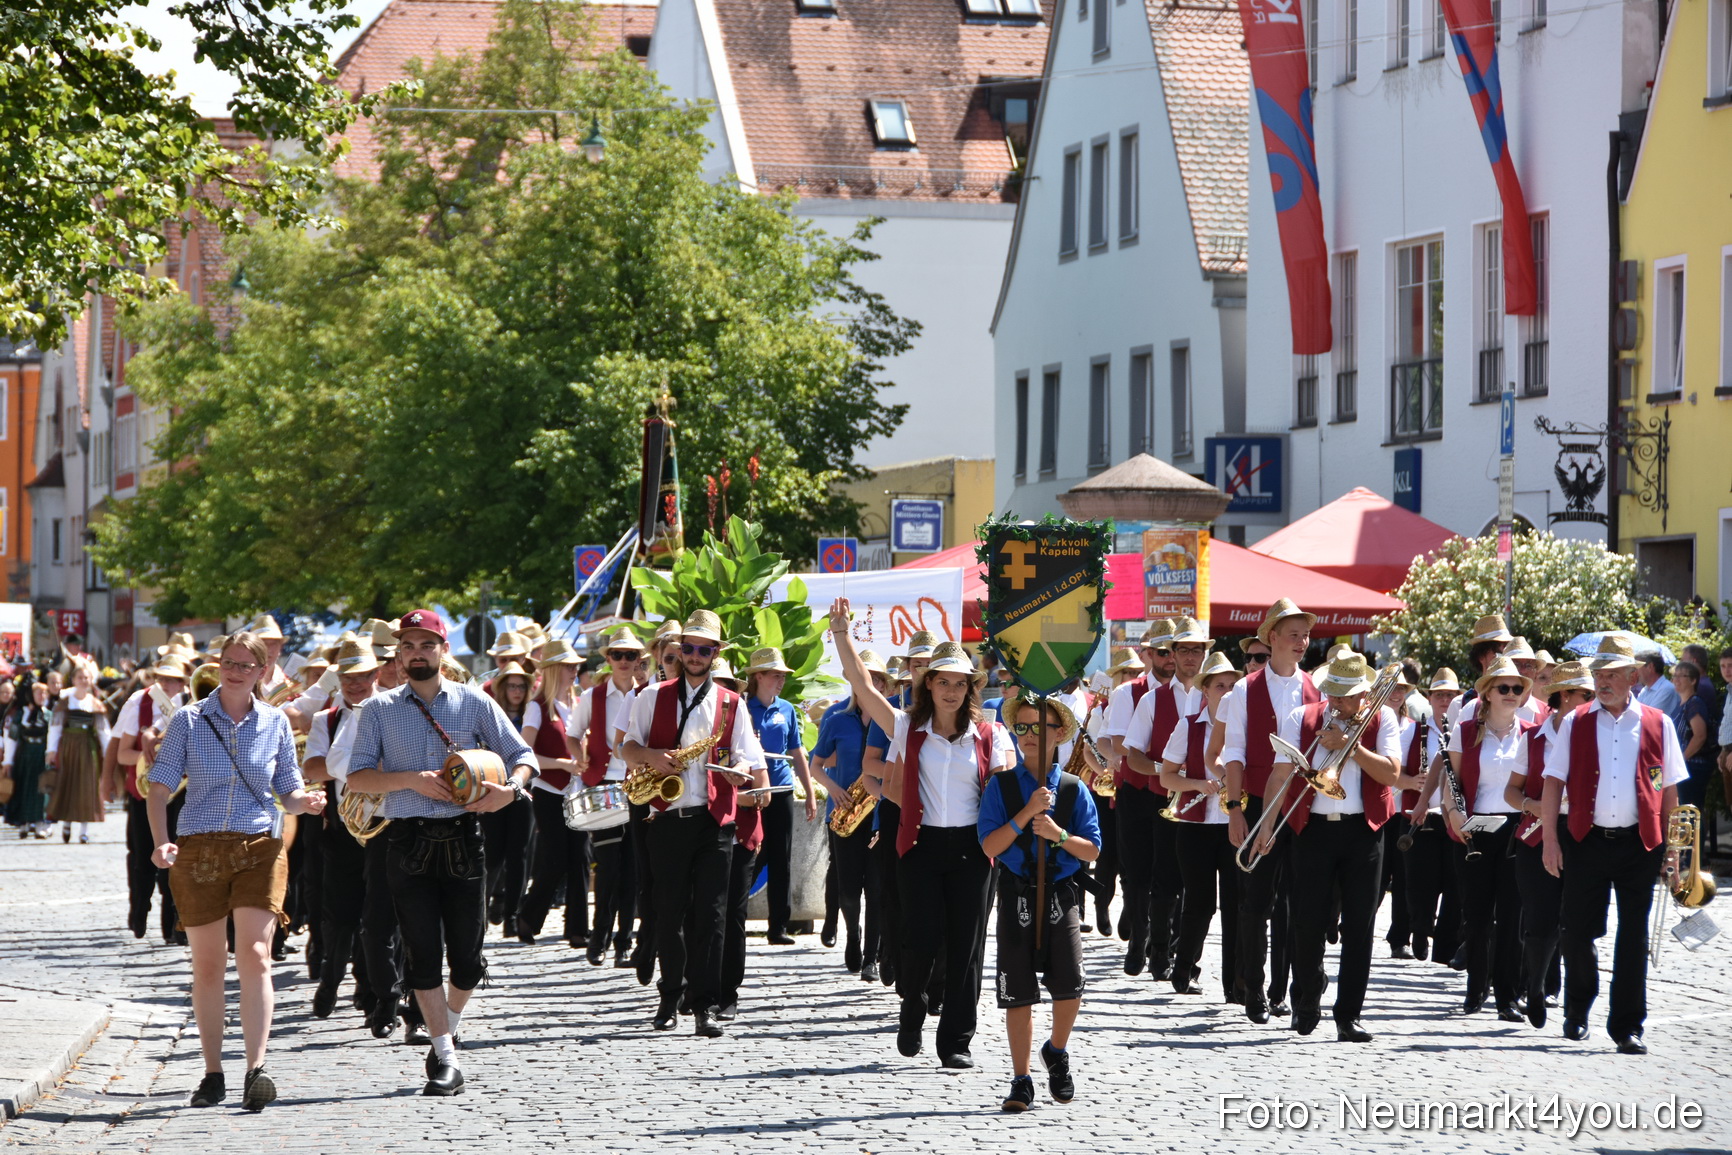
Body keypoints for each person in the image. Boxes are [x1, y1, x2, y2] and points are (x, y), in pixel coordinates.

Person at [346, 609, 537, 1095]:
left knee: (469, 961)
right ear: (398, 653)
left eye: (426, 645)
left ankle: (444, 1028)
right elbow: (358, 777)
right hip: (406, 841)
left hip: (464, 840)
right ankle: (447, 1058)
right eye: (408, 645)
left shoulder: (474, 701)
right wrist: (411, 780)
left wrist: (510, 791)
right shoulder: (379, 709)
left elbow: (522, 756)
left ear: (443, 651)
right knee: (423, 956)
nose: (416, 653)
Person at [147, 631, 329, 1111]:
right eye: (228, 662)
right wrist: (161, 842)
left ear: (262, 671)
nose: (235, 671)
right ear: (218, 664)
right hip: (199, 850)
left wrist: (306, 802)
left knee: (255, 954)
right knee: (208, 965)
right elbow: (159, 788)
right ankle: (212, 1073)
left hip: (258, 847)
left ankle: (256, 1069)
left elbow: (287, 791)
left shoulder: (275, 722)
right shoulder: (189, 720)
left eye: (246, 665)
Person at [831, 605, 1015, 1070]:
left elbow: (1006, 792)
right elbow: (863, 686)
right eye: (943, 681)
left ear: (971, 688)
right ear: (927, 684)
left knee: (967, 947)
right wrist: (842, 633)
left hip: (973, 851)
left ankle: (956, 1040)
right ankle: (912, 1010)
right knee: (920, 939)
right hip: (920, 847)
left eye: (960, 683)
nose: (951, 691)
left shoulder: (991, 735)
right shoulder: (907, 727)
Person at [618, 610, 767, 1038]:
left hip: (715, 820)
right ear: (680, 651)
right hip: (667, 819)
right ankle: (670, 995)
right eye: (688, 648)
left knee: (712, 914)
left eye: (704, 649)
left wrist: (740, 770)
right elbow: (627, 748)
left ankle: (704, 1005)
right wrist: (651, 756)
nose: (695, 655)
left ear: (715, 653)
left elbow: (749, 757)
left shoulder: (732, 703)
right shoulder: (652, 696)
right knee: (668, 913)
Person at [1541, 635, 1688, 1055]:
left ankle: (1627, 1026)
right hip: (1585, 840)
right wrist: (1550, 839)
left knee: (1633, 936)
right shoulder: (1576, 721)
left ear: (1633, 678)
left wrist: (1674, 850)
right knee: (1576, 932)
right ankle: (1577, 1008)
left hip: (1639, 844)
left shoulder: (1659, 722)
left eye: (1611, 674)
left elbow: (1670, 791)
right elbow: (1553, 783)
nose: (1602, 681)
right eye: (1598, 674)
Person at [1264, 652, 1418, 1042]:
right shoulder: (1301, 717)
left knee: (1360, 926)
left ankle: (1348, 1015)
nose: (1337, 701)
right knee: (1306, 921)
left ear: (1364, 693)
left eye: (1346, 695)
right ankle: (1307, 996)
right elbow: (1280, 774)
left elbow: (1391, 775)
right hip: (1312, 830)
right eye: (1332, 692)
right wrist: (1266, 827)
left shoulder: (1383, 719)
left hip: (1364, 832)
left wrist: (1350, 744)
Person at [979, 692, 1100, 1113]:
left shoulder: (1073, 788)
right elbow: (989, 845)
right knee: (1018, 991)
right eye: (1022, 727)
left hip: (1061, 894)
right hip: (1016, 893)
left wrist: (1058, 835)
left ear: (1059, 732)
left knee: (1070, 984)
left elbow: (1092, 850)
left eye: (1039, 727)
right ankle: (1021, 1078)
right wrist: (1025, 814)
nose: (1029, 735)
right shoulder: (1001, 786)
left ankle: (1057, 1050)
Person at [1221, 599, 1319, 1023]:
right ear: (1273, 638)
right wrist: (1235, 808)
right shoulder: (1244, 689)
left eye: (1305, 635)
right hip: (1261, 801)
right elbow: (1235, 752)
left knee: (1301, 903)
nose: (1302, 642)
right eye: (1293, 635)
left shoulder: (1317, 687)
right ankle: (1254, 988)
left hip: (1305, 804)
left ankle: (1291, 991)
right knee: (1257, 900)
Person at [1440, 656, 1534, 1021]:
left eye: (1517, 688)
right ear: (1488, 694)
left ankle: (1507, 997)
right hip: (1475, 830)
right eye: (1504, 687)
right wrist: (1453, 816)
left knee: (1511, 918)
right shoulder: (1464, 731)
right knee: (1477, 917)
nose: (1511, 693)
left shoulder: (1531, 733)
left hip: (1516, 831)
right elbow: (1451, 785)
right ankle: (1475, 989)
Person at [1120, 616, 1208, 983]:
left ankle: (1186, 958)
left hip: (1208, 803)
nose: (1189, 657)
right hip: (1163, 800)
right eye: (1182, 650)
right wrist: (1167, 771)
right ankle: (1158, 953)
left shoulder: (1219, 695)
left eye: (1196, 650)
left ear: (1204, 654)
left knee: (1198, 888)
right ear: (1172, 653)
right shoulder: (1152, 699)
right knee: (1165, 882)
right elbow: (1132, 756)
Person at [1506, 661, 1592, 1028]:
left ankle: (1574, 1006)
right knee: (1539, 919)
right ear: (1564, 696)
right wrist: (1534, 805)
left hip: (1583, 835)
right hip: (1537, 835)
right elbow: (1511, 791)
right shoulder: (1533, 738)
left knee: (1576, 923)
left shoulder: (1596, 735)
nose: (1591, 700)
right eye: (1585, 694)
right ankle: (1536, 987)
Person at [300, 637, 383, 1019]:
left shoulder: (391, 712)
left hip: (384, 829)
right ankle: (330, 980)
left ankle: (370, 989)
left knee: (377, 915)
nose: (355, 684)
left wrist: (347, 767)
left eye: (362, 675)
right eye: (348, 677)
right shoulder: (327, 719)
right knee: (338, 914)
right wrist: (360, 769)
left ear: (375, 674)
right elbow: (311, 767)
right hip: (341, 829)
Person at [1155, 652, 1242, 999]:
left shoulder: (1244, 725)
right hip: (1196, 826)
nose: (1227, 691)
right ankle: (1184, 970)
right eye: (1220, 685)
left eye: (1232, 685)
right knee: (1199, 903)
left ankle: (1234, 983)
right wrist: (1197, 784)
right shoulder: (1188, 726)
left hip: (1235, 824)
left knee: (1236, 905)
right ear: (1205, 690)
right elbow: (1166, 776)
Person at [811, 649, 890, 980]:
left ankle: (871, 957)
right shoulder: (836, 720)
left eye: (876, 680)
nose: (870, 685)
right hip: (845, 813)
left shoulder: (894, 722)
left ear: (883, 685)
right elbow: (816, 764)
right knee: (848, 889)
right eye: (863, 678)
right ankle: (853, 936)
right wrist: (833, 788)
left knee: (877, 888)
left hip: (881, 814)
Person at [568, 627, 642, 968]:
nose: (624, 661)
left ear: (639, 659)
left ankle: (624, 941)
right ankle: (599, 938)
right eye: (618, 654)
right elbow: (572, 734)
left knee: (633, 869)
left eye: (631, 655)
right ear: (608, 659)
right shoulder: (592, 696)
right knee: (609, 867)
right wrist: (580, 757)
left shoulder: (648, 694)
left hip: (639, 787)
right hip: (603, 787)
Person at [1101, 620, 1174, 960]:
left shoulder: (1193, 691)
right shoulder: (1127, 692)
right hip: (1137, 789)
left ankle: (1162, 943)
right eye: (1162, 651)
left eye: (1174, 651)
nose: (1169, 658)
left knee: (1170, 872)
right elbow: (1117, 743)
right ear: (1148, 654)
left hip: (1176, 791)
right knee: (1136, 870)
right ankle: (1138, 939)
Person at [516, 640, 591, 949]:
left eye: (575, 666)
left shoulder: (579, 704)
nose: (575, 670)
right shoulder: (537, 707)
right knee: (556, 857)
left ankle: (578, 929)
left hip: (578, 792)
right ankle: (528, 917)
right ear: (552, 670)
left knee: (581, 858)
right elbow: (524, 754)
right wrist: (562, 763)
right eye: (568, 666)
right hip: (549, 792)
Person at [112, 652, 191, 938]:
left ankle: (174, 925)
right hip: (144, 791)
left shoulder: (192, 704)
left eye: (174, 680)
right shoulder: (139, 702)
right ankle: (139, 909)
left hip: (180, 793)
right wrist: (149, 757)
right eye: (163, 679)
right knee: (142, 856)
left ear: (183, 683)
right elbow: (121, 753)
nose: (168, 685)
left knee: (177, 859)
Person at [742, 647, 817, 946]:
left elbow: (797, 751)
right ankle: (734, 914)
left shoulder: (786, 709)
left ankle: (778, 927)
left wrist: (809, 792)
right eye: (775, 675)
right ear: (758, 676)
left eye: (783, 675)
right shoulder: (743, 707)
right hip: (753, 792)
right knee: (751, 855)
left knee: (781, 857)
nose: (781, 680)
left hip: (782, 789)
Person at [482, 662, 535, 941]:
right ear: (502, 689)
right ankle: (481, 911)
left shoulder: (531, 715)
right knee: (491, 854)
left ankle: (512, 916)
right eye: (512, 686)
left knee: (519, 855)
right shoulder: (491, 715)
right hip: (494, 788)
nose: (517, 691)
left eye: (521, 686)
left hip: (523, 791)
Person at [46, 658, 111, 844]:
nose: (83, 680)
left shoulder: (96, 704)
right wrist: (51, 750)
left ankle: (84, 830)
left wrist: (108, 753)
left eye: (86, 677)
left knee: (87, 786)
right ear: (73, 680)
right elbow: (55, 728)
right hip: (68, 747)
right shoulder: (65, 702)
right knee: (68, 783)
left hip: (87, 748)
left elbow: (103, 732)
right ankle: (67, 823)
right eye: (80, 677)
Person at [3, 680, 52, 838]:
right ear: (31, 695)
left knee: (41, 790)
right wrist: (8, 761)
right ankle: (23, 823)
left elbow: (54, 737)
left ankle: (40, 823)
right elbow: (11, 738)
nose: (42, 696)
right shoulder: (20, 714)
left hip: (42, 756)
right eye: (38, 693)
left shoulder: (49, 715)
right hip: (25, 755)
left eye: (44, 693)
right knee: (24, 788)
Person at [1668, 660, 1712, 812]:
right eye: (1674, 676)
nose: (1676, 679)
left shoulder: (1694, 703)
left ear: (1693, 680)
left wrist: (1681, 759)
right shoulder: (1680, 705)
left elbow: (1700, 736)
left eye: (1681, 676)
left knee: (1690, 813)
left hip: (1692, 767)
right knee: (1683, 812)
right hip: (1682, 767)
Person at [1634, 653, 1684, 729]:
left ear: (1650, 667)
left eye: (1637, 666)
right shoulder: (1645, 690)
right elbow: (1634, 713)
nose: (1635, 672)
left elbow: (1650, 719)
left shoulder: (1667, 689)